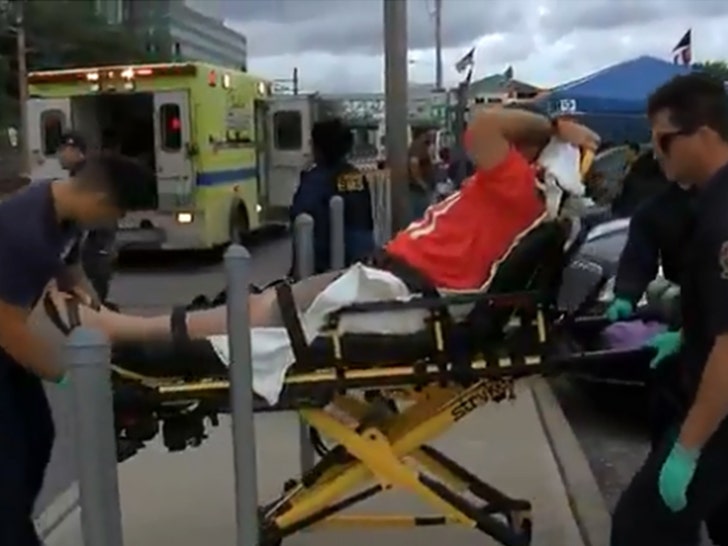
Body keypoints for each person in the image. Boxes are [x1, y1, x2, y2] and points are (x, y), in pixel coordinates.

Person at [44, 108, 599, 345]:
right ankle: (132, 326)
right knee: (271, 305)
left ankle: (126, 332)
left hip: (401, 287)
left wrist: (549, 124)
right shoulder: (524, 196)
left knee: (270, 309)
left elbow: (484, 125)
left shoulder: (518, 188)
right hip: (396, 277)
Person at [0, 154, 153, 546]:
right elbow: (9, 331)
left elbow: (56, 257)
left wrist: (73, 280)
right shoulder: (23, 229)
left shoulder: (59, 211)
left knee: (39, 435)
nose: (112, 222)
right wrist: (71, 376)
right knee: (10, 456)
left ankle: (15, 524)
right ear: (99, 196)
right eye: (115, 212)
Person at [610, 73, 728, 546]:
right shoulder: (707, 202)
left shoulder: (724, 213)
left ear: (703, 133)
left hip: (720, 414)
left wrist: (688, 447)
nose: (655, 152)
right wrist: (688, 335)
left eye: (663, 138)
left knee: (642, 530)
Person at [290, 119, 375, 274]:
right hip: (358, 264)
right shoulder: (354, 176)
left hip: (321, 269)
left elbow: (301, 220)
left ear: (319, 149)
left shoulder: (315, 181)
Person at [58, 132, 119, 302]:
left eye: (64, 150)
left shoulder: (87, 176)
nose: (60, 155)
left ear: (77, 151)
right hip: (95, 244)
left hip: (95, 244)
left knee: (91, 297)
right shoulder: (83, 173)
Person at [407, 131, 436, 221]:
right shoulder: (418, 146)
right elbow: (413, 165)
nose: (434, 135)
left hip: (423, 187)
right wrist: (421, 183)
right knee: (420, 216)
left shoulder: (425, 145)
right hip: (418, 189)